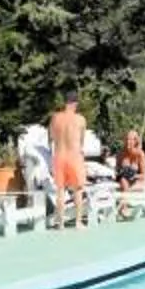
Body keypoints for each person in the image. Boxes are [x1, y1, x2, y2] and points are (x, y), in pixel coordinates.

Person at [47, 95, 90, 224]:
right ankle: (78, 222)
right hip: (74, 156)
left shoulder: (55, 118)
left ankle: (60, 223)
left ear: (65, 103)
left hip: (59, 156)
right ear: (75, 104)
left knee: (60, 190)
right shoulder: (80, 119)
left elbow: (51, 137)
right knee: (77, 189)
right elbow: (81, 141)